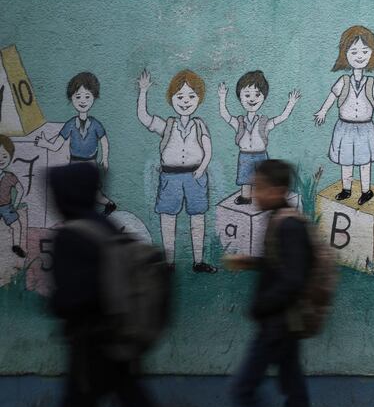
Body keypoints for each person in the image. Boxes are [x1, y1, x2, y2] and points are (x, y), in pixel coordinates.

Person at [48, 162, 171, 407]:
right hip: (121, 334)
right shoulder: (108, 226)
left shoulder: (71, 235)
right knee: (136, 404)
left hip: (90, 343)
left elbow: (72, 298)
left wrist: (55, 304)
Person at [226, 159, 314, 407]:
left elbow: (293, 278)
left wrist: (261, 306)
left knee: (244, 389)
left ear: (277, 191)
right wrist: (252, 262)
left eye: (260, 188)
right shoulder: (279, 219)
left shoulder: (288, 226)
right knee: (294, 390)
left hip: (277, 324)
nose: (254, 194)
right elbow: (281, 265)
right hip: (282, 324)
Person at [136, 68, 216, 273]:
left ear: (199, 99)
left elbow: (208, 150)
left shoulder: (200, 125)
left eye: (191, 96)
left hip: (195, 176)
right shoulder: (168, 125)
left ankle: (198, 261)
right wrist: (143, 91)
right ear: (172, 99)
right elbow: (144, 118)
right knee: (167, 218)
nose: (185, 101)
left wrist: (202, 169)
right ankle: (169, 262)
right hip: (170, 176)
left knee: (197, 217)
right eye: (180, 96)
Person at [313, 25, 374, 206]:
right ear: (345, 54)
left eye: (365, 50)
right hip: (344, 127)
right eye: (353, 51)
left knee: (364, 161)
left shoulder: (372, 83)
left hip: (365, 127)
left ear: (372, 54)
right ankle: (346, 189)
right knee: (345, 160)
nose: (360, 55)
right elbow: (332, 96)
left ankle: (366, 191)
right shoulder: (343, 81)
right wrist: (323, 111)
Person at [35, 72, 117, 214]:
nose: (82, 101)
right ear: (72, 98)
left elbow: (104, 140)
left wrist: (105, 159)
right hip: (74, 164)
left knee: (92, 193)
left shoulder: (96, 124)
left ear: (93, 98)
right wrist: (44, 143)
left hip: (90, 164)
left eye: (87, 96)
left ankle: (109, 204)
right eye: (78, 97)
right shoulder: (71, 124)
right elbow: (57, 145)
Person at [218, 70, 300, 205]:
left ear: (263, 97)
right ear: (240, 97)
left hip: (261, 155)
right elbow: (225, 115)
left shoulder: (263, 122)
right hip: (244, 155)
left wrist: (291, 103)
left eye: (257, 94)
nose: (252, 98)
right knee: (245, 178)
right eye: (247, 94)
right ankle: (245, 197)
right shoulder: (239, 122)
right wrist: (222, 98)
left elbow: (281, 118)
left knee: (263, 178)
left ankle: (265, 197)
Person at [0, 134, 27, 259]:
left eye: (5, 156)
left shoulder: (10, 176)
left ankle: (16, 246)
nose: (1, 159)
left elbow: (20, 189)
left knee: (16, 225)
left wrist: (15, 205)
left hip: (6, 207)